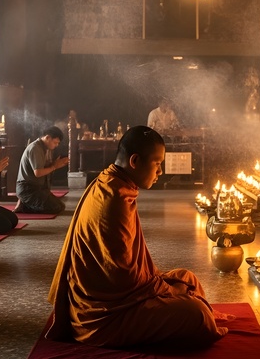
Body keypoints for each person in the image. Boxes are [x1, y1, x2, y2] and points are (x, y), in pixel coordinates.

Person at [46, 126, 228, 348]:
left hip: (122, 296)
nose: (160, 172)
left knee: (186, 277)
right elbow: (124, 278)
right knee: (196, 314)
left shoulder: (111, 181)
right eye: (157, 163)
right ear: (135, 161)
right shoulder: (114, 199)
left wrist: (169, 286)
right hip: (104, 316)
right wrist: (169, 291)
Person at [15, 127, 68, 214]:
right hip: (28, 189)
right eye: (55, 142)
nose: (56, 145)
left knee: (60, 206)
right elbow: (38, 173)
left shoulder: (43, 147)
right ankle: (25, 204)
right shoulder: (35, 148)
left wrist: (56, 164)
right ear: (47, 138)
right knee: (55, 208)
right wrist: (54, 166)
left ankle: (26, 204)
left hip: (37, 188)